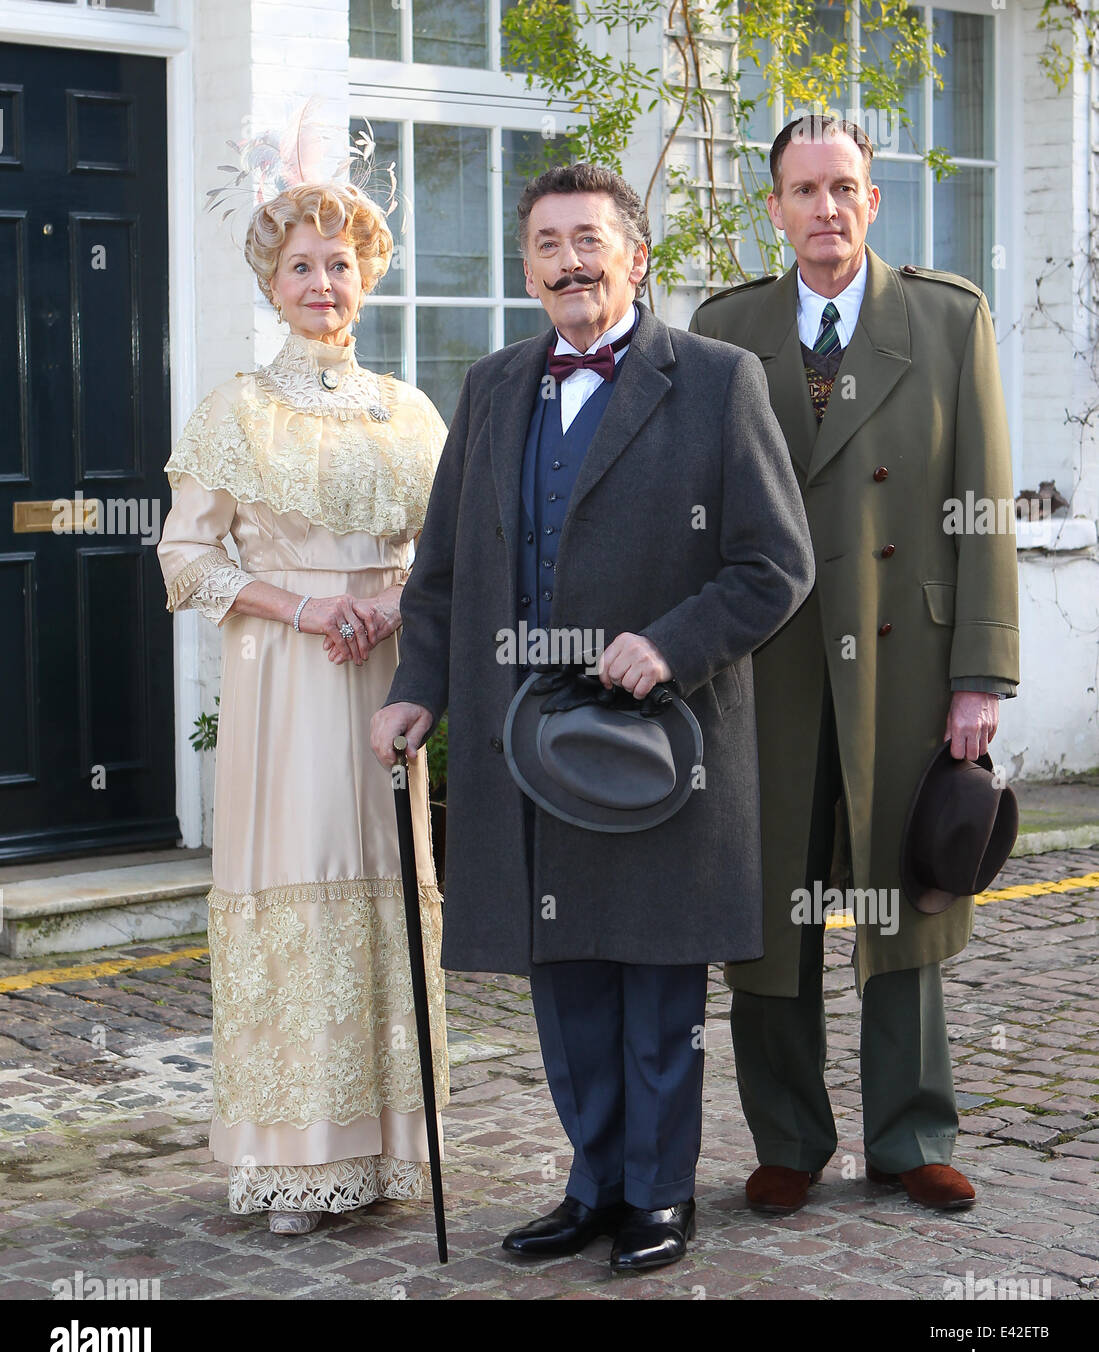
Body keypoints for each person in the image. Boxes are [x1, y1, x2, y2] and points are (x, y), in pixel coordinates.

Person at [371, 163, 814, 1272]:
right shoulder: (489, 387)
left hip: (657, 743)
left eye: (588, 239)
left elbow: (775, 566)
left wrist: (669, 642)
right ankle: (594, 1183)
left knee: (656, 977)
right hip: (524, 742)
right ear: (526, 269)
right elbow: (442, 571)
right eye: (547, 244)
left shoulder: (717, 380)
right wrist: (415, 686)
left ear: (636, 255)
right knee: (563, 971)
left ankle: (660, 1195)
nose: (569, 260)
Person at [690, 116, 1020, 1215]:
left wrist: (980, 675)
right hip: (766, 665)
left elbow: (986, 512)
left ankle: (909, 1132)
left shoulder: (945, 317)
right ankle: (787, 1137)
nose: (824, 209)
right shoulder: (726, 325)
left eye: (843, 188)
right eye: (801, 190)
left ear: (872, 200)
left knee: (907, 892)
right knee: (765, 900)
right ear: (772, 206)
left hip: (907, 662)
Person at [157, 181, 449, 1235]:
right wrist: (308, 605)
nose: (321, 284)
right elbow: (186, 559)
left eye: (339, 263)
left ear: (366, 274)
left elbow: (451, 549)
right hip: (288, 679)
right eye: (300, 267)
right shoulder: (235, 410)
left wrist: (389, 605)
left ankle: (382, 1146)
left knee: (381, 884)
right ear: (271, 283)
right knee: (299, 882)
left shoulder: (409, 410)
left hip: (389, 672)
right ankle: (292, 1160)